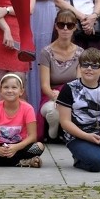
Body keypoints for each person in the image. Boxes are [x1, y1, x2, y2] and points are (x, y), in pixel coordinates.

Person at [0, 73, 45, 168]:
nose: (10, 91)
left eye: (14, 87)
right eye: (6, 87)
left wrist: (16, 147)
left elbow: (33, 136)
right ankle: (22, 162)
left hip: (19, 146)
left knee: (39, 146)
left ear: (21, 91)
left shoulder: (28, 108)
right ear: (0, 90)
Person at [39, 10, 83, 141]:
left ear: (75, 27)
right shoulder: (46, 52)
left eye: (69, 25)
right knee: (53, 112)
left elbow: (80, 82)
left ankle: (69, 133)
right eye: (61, 24)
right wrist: (55, 96)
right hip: (51, 96)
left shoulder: (81, 52)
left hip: (73, 94)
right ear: (56, 26)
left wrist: (67, 96)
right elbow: (45, 85)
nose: (65, 28)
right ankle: (53, 133)